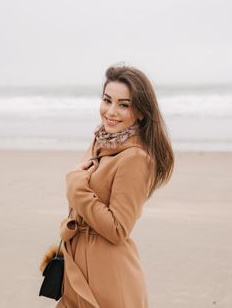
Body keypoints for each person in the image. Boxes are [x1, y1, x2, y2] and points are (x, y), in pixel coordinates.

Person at [56, 64, 175, 308]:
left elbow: (119, 229)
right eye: (107, 100)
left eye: (123, 104)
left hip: (108, 277)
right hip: (77, 265)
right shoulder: (101, 141)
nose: (111, 111)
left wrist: (76, 186)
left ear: (140, 112)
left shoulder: (136, 158)